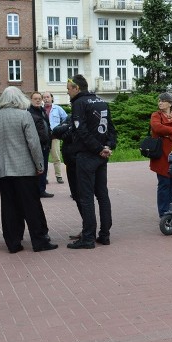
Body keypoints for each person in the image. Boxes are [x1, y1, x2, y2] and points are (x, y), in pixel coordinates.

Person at [0, 87, 56, 253]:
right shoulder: (24, 116)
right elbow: (34, 144)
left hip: (3, 171)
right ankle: (39, 241)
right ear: (19, 99)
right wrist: (39, 165)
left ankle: (13, 243)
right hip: (25, 170)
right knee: (32, 206)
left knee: (9, 207)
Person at [64, 75, 117, 249]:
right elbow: (111, 128)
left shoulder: (79, 103)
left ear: (77, 88)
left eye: (69, 88)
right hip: (102, 157)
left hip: (87, 156)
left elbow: (81, 131)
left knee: (86, 197)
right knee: (102, 195)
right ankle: (105, 235)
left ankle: (88, 238)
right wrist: (108, 147)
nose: (67, 91)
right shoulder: (101, 100)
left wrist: (98, 149)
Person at [29, 91, 54, 198]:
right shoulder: (29, 113)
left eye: (40, 98)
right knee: (36, 169)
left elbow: (46, 127)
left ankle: (41, 190)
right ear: (31, 100)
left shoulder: (43, 111)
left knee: (44, 168)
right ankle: (36, 190)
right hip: (36, 146)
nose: (38, 100)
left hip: (45, 145)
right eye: (35, 99)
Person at [43, 91, 68, 184]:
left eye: (48, 97)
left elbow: (66, 119)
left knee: (56, 157)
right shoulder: (41, 110)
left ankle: (59, 176)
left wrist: (60, 128)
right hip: (44, 138)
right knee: (44, 158)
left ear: (51, 98)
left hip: (55, 137)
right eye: (44, 97)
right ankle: (44, 177)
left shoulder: (58, 109)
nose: (46, 99)